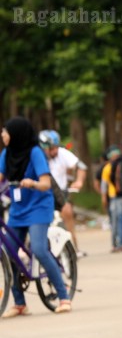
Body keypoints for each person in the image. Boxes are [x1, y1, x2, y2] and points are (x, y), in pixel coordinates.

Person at [0, 117, 72, 316]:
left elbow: (46, 184)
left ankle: (64, 296)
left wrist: (32, 183)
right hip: (18, 208)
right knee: (8, 253)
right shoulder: (6, 154)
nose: (2, 135)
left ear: (16, 134)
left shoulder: (35, 153)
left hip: (39, 207)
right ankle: (20, 303)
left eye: (5, 132)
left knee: (39, 249)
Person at [39, 130, 88, 254]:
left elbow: (81, 166)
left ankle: (74, 247)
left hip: (61, 193)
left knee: (67, 213)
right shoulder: (37, 157)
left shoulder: (62, 154)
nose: (55, 151)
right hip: (43, 194)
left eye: (56, 148)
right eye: (52, 148)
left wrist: (79, 181)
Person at [99, 146, 119, 251]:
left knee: (114, 221)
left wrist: (103, 197)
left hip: (114, 196)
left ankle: (114, 243)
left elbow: (103, 185)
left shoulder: (107, 168)